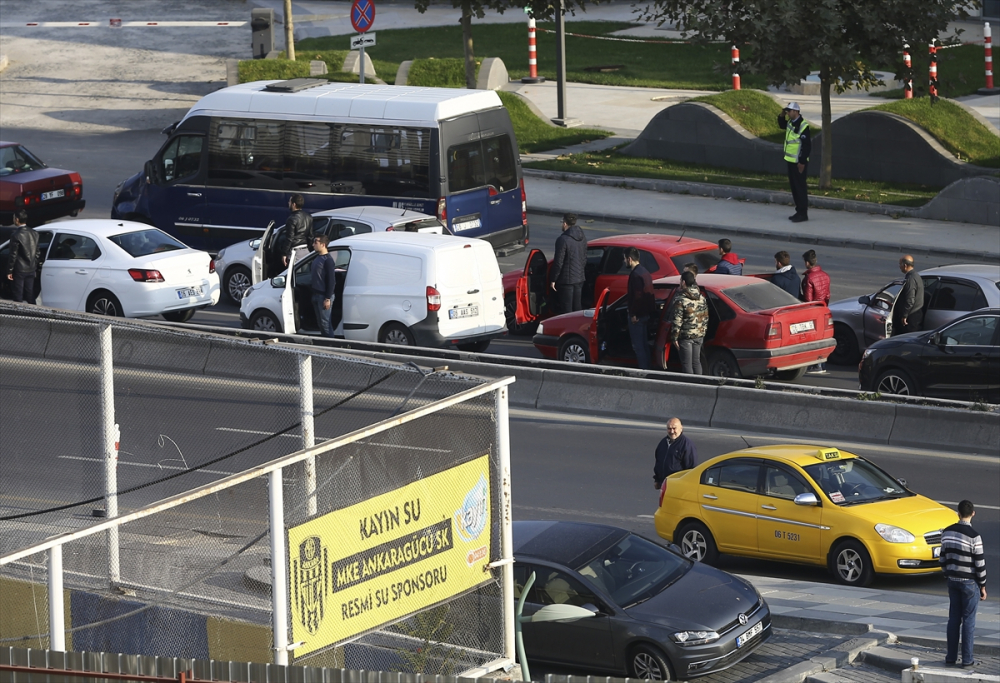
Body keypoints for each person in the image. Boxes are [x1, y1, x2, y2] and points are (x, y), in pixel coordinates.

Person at [940, 500, 987, 668]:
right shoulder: (974, 536)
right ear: (973, 513)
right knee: (968, 621)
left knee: (953, 619)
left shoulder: (947, 532)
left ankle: (950, 658)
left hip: (953, 581)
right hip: (969, 583)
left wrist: (948, 575)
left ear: (957, 513)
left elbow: (942, 558)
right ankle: (967, 660)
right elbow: (979, 564)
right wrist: (982, 586)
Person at [778, 102, 811, 223]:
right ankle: (798, 211)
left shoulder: (803, 125)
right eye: (787, 111)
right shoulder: (791, 123)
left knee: (800, 188)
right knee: (794, 188)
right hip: (790, 161)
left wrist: (802, 162)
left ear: (796, 112)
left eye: (789, 111)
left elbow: (806, 146)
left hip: (798, 163)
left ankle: (803, 213)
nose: (788, 113)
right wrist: (781, 115)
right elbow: (782, 125)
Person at [670, 270, 708, 374]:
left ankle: (690, 386)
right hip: (699, 334)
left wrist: (674, 338)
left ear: (683, 282)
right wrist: (702, 331)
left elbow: (677, 320)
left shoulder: (680, 299)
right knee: (696, 362)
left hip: (686, 336)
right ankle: (699, 385)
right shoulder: (701, 297)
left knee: (687, 363)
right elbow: (705, 316)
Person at [549, 213, 587, 313]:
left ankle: (569, 328)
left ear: (565, 223)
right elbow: (584, 257)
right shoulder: (582, 237)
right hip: (579, 278)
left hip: (566, 281)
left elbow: (558, 262)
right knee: (577, 307)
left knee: (567, 309)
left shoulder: (562, 239)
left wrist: (553, 279)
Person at [801, 249, 831, 374]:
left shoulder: (809, 278)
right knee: (822, 337)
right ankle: (822, 364)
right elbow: (828, 295)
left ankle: (816, 365)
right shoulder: (825, 275)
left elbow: (808, 300)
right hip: (823, 308)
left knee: (812, 338)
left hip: (813, 311)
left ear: (807, 263)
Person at [625, 246, 655, 370]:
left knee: (638, 347)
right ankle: (648, 369)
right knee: (644, 345)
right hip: (646, 315)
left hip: (637, 317)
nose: (624, 261)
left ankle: (643, 372)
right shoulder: (644, 272)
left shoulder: (635, 275)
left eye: (625, 259)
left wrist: (633, 314)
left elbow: (637, 296)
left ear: (630, 259)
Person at [653, 418, 697, 490]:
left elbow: (691, 468)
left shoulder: (687, 445)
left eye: (674, 428)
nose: (672, 431)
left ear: (681, 428)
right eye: (669, 429)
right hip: (664, 485)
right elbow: (658, 462)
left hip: (678, 486)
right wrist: (657, 480)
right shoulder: (663, 443)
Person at [5, 210, 39, 304]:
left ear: (17, 219)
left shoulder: (16, 235)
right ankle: (35, 313)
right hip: (31, 268)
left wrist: (9, 271)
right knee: (30, 294)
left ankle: (18, 315)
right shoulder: (35, 233)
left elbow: (13, 254)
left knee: (18, 295)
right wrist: (34, 264)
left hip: (19, 269)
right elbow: (37, 252)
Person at [310, 235, 337, 338]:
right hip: (316, 294)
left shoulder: (328, 260)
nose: (313, 245)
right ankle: (324, 343)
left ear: (323, 244)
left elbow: (331, 280)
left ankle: (330, 345)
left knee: (325, 323)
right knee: (320, 323)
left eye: (315, 242)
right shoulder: (317, 258)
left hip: (323, 296)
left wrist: (327, 298)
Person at [893, 254, 924, 335]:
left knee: (906, 337)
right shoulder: (916, 276)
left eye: (900, 264)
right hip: (917, 313)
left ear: (905, 265)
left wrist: (904, 315)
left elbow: (910, 299)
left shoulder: (910, 279)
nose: (899, 266)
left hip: (911, 316)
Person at [280, 193, 314, 268]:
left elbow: (289, 238)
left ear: (294, 204)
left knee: (293, 276)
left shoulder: (291, 219)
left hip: (295, 253)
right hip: (306, 251)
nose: (288, 203)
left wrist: (284, 253)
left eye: (289, 202)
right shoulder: (309, 217)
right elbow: (311, 236)